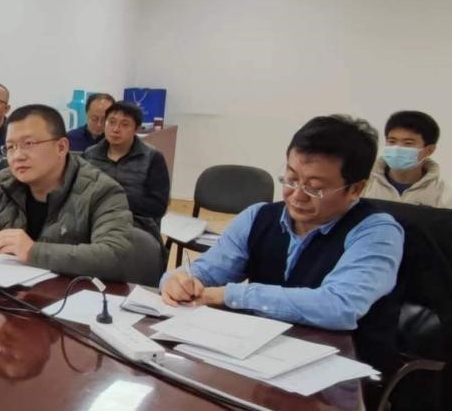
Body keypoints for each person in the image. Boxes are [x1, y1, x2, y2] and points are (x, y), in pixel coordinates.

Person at [160, 115, 403, 336]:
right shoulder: (258, 217)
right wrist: (178, 281)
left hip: (345, 358)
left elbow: (339, 306)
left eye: (315, 188)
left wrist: (231, 295)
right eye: (291, 179)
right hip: (258, 348)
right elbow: (208, 271)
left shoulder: (377, 233)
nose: (297, 196)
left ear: (356, 189)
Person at [0, 104, 134, 280]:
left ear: (61, 147)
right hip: (10, 295)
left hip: (70, 298)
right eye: (10, 147)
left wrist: (33, 251)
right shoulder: (5, 181)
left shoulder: (102, 190)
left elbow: (114, 257)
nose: (17, 156)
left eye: (29, 144)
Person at [82, 100, 170, 240]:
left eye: (124, 124)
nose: (116, 129)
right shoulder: (90, 155)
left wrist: (114, 200)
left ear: (136, 129)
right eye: (111, 122)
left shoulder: (153, 158)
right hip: (94, 223)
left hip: (137, 226)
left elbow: (158, 206)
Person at [364, 110, 451, 208]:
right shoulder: (363, 183)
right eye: (392, 141)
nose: (397, 148)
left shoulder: (444, 194)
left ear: (429, 150)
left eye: (408, 143)